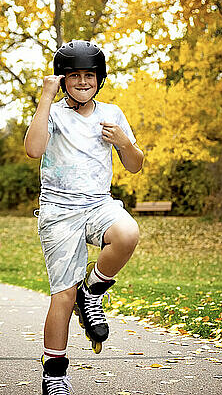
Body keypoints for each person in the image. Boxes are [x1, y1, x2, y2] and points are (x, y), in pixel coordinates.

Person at [24, 40, 144, 395]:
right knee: (62, 295)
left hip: (97, 204)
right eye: (72, 75)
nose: (81, 81)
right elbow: (33, 150)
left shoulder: (112, 114)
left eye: (88, 75)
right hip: (59, 212)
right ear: (62, 80)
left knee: (127, 233)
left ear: (99, 78)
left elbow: (136, 165)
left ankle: (92, 291)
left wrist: (124, 141)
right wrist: (45, 98)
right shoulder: (55, 113)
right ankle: (55, 376)